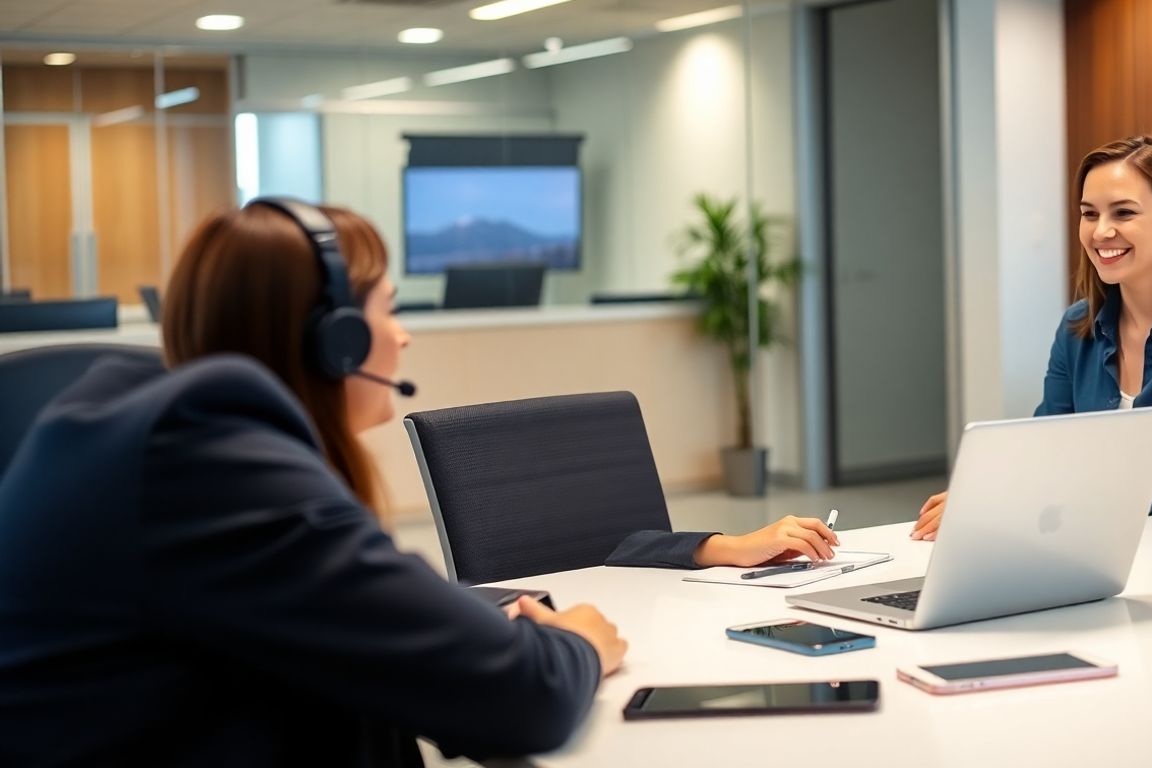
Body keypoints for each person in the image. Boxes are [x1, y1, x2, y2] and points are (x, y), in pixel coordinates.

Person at [0, 199, 834, 766]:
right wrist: (577, 638)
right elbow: (522, 699)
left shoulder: (149, 427)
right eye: (387, 309)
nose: (403, 337)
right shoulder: (215, 459)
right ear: (332, 340)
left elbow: (328, 596)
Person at [912, 134, 1152, 541]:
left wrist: (1065, 495)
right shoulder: (1077, 327)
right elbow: (1044, 450)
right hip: (1102, 540)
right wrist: (985, 495)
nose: (1101, 232)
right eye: (1089, 214)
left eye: (1123, 213)